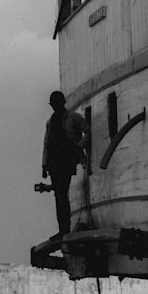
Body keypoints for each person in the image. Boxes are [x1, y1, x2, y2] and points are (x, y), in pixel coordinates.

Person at [42, 90, 85, 236]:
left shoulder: (73, 117)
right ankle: (63, 228)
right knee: (59, 195)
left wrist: (79, 146)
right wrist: (44, 165)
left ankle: (64, 228)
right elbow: (47, 144)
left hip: (66, 160)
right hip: (55, 163)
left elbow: (88, 131)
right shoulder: (51, 122)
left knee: (61, 193)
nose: (55, 106)